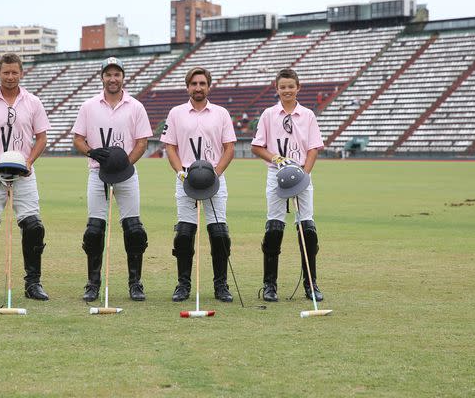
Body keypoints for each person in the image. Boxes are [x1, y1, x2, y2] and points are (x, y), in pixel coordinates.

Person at [0, 53, 50, 302]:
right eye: (6, 72)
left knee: (34, 227)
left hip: (24, 175)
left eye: (15, 72)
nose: (11, 76)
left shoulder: (33, 102)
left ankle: (33, 283)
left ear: (21, 73)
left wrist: (27, 162)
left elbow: (42, 138)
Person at [72, 57, 152, 302]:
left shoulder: (136, 107)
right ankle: (93, 283)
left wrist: (123, 164)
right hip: (97, 174)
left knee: (134, 229)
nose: (113, 78)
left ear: (123, 78)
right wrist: (90, 151)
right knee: (94, 230)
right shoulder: (88, 106)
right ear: (102, 78)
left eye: (117, 74)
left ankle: (135, 283)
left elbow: (142, 142)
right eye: (108, 74)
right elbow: (78, 138)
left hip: (126, 175)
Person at [160, 66, 237, 302]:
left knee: (219, 233)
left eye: (202, 83)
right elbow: (170, 147)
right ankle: (183, 284)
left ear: (209, 86)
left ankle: (221, 285)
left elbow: (229, 147)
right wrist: (180, 173)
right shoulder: (176, 113)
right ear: (188, 87)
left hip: (214, 179)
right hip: (186, 180)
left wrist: (217, 172)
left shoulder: (221, 113)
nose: (198, 88)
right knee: (184, 233)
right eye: (194, 84)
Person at [250, 67, 324, 302]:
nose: (287, 91)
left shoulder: (308, 115)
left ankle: (311, 284)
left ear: (298, 88)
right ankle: (270, 285)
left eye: (291, 86)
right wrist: (275, 158)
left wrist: (304, 174)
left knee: (307, 230)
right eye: (282, 87)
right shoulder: (269, 115)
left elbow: (313, 148)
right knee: (274, 228)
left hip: (302, 173)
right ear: (277, 89)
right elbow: (257, 146)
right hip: (276, 174)